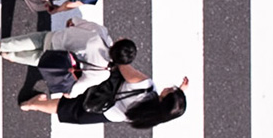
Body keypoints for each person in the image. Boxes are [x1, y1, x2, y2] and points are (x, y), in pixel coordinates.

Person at [19, 41, 190, 128]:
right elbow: (165, 106)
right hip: (103, 111)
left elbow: (123, 66)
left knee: (74, 84)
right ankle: (31, 105)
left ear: (165, 96)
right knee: (65, 108)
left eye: (171, 90)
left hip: (102, 90)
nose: (170, 87)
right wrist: (178, 95)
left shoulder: (145, 85)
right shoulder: (152, 117)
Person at [0, 17, 116, 99]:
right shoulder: (102, 72)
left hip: (53, 39)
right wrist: (70, 94)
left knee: (28, 41)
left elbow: (72, 21)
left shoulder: (100, 32)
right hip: (55, 61)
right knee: (32, 58)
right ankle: (7, 55)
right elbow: (78, 88)